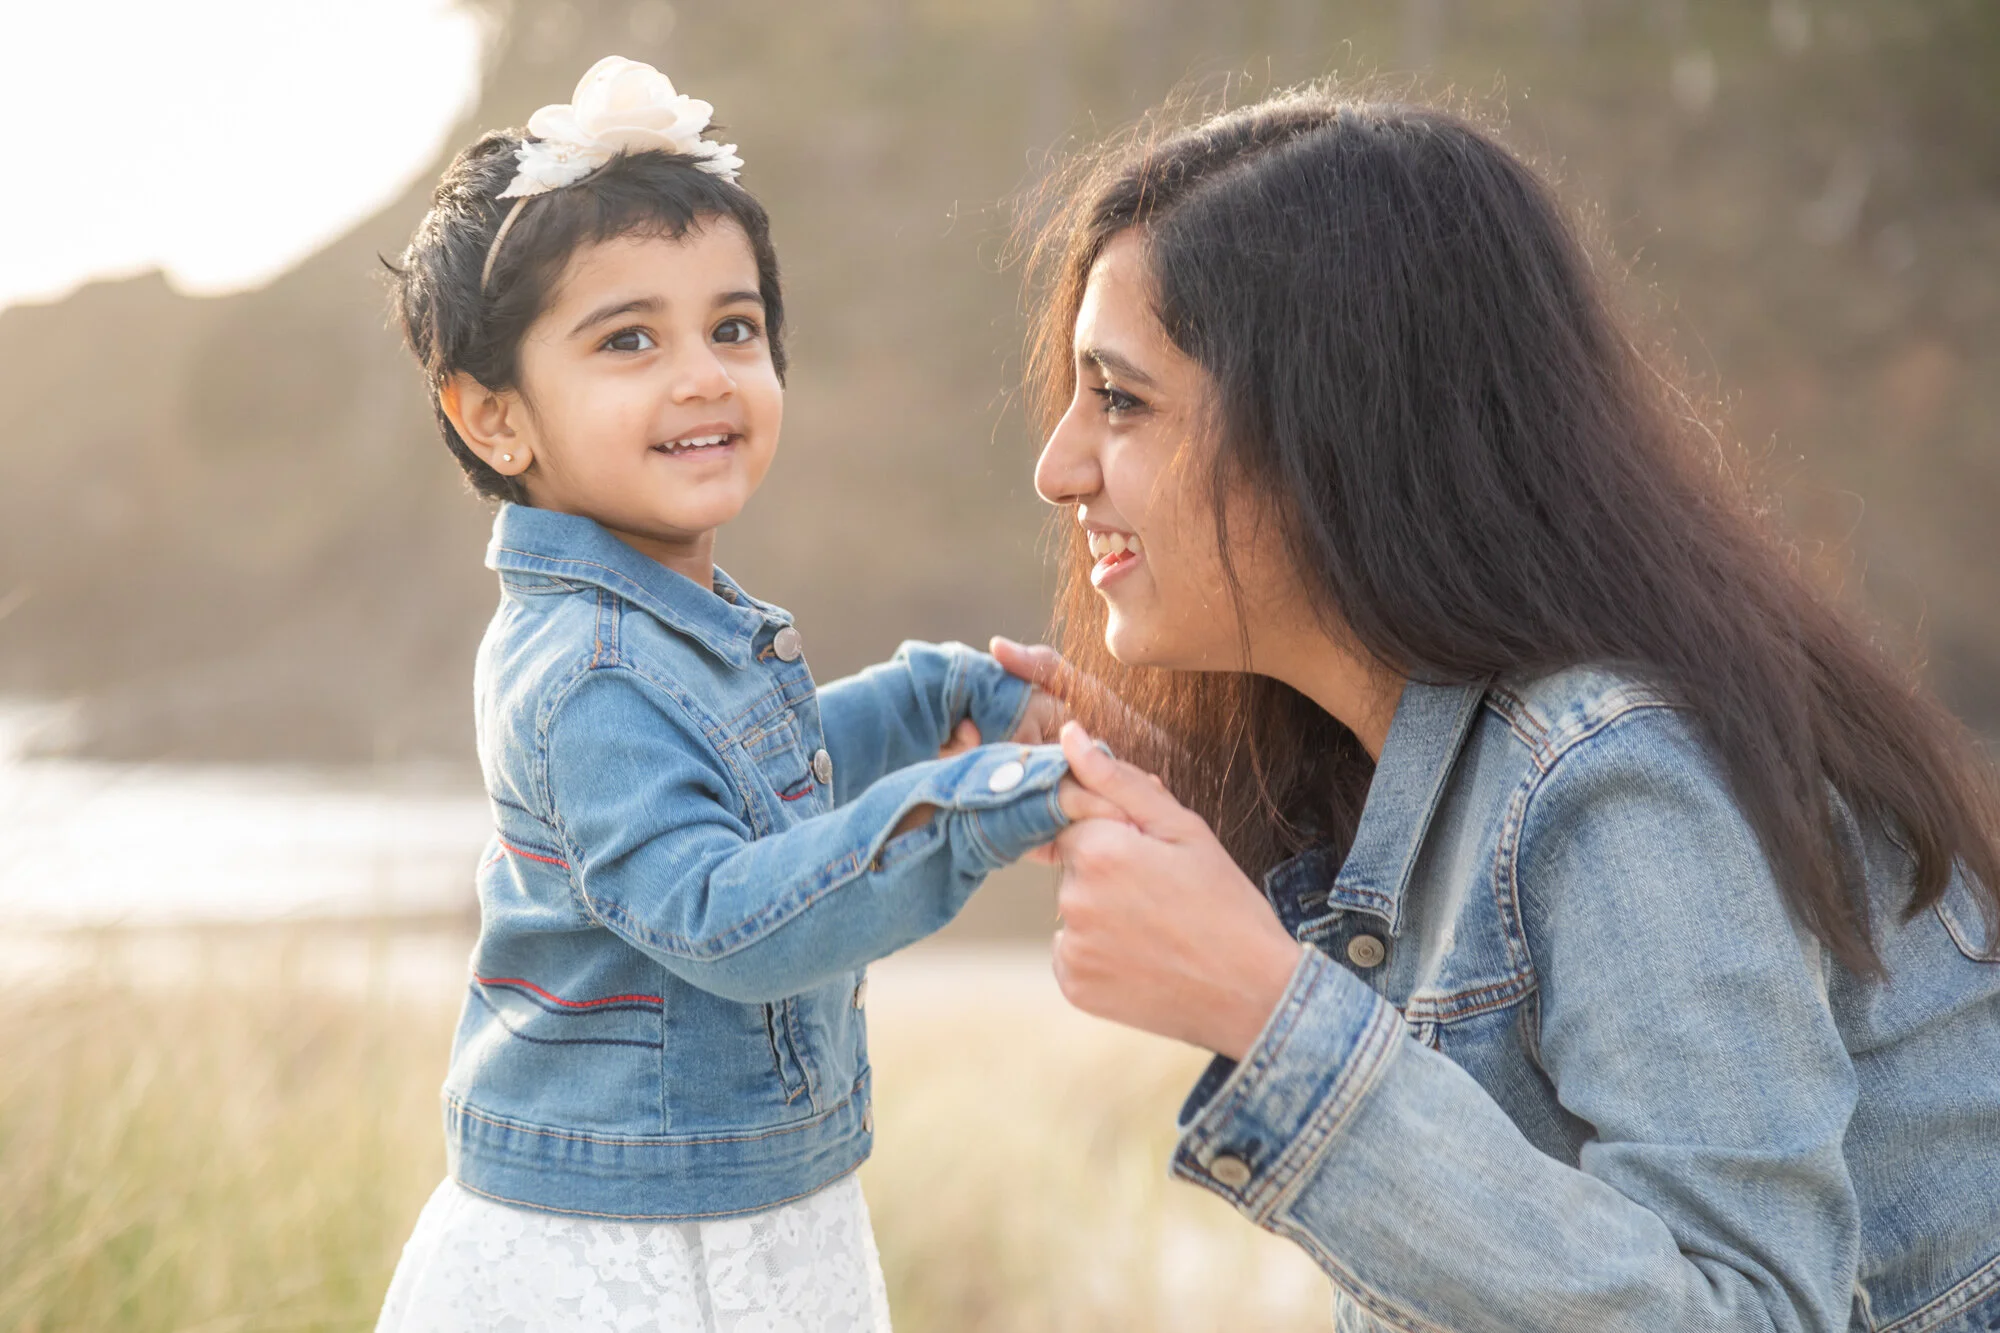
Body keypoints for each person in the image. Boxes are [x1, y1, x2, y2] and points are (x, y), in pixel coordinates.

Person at [997, 91, 2000, 1331]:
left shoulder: (1619, 777)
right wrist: (1190, 825)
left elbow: (1742, 1310)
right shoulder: (1443, 768)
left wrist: (1267, 1013)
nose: (1058, 466)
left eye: (1121, 400)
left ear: (1334, 427)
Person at [374, 56, 1096, 1332]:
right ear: (495, 419)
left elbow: (756, 779)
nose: (702, 373)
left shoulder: (664, 622)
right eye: (628, 339)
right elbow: (723, 912)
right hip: (625, 1251)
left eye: (734, 326)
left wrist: (931, 698)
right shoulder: (587, 669)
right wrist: (976, 805)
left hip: (736, 1209)